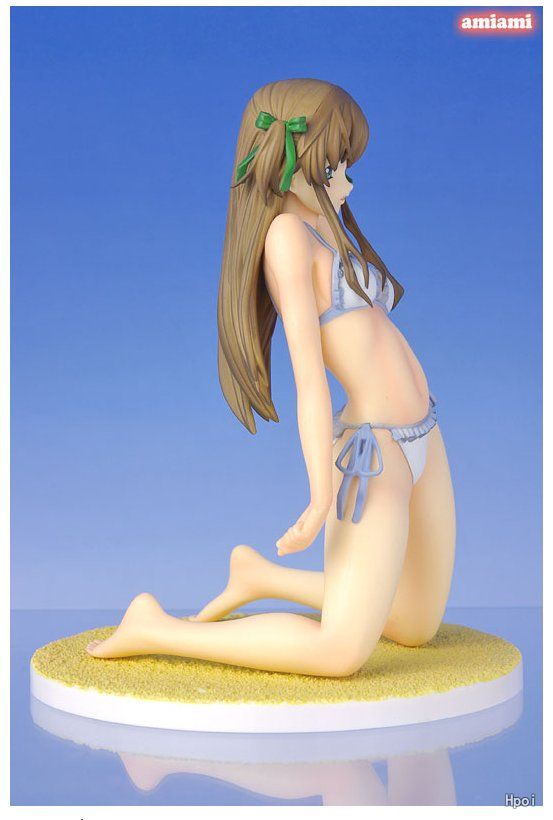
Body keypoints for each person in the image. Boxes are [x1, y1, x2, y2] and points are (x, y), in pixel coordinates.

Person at [87, 78, 456, 678]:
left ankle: (260, 577)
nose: (346, 182)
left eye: (346, 165)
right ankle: (156, 627)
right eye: (333, 166)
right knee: (340, 652)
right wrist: (319, 494)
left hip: (425, 433)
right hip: (375, 453)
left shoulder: (325, 223)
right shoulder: (287, 237)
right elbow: (309, 382)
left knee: (415, 623)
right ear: (284, 160)